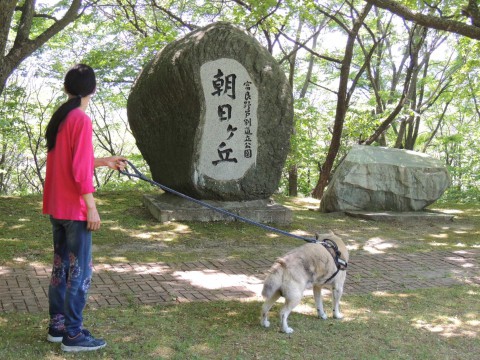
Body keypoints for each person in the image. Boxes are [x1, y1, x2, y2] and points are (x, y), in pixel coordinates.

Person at [43, 64, 126, 352]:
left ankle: (58, 326)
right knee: (78, 272)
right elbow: (79, 171)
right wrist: (91, 207)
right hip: (74, 209)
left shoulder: (62, 117)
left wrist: (105, 161)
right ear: (93, 89)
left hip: (57, 206)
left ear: (68, 88)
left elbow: (71, 162)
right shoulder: (80, 118)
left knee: (61, 269)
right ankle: (74, 335)